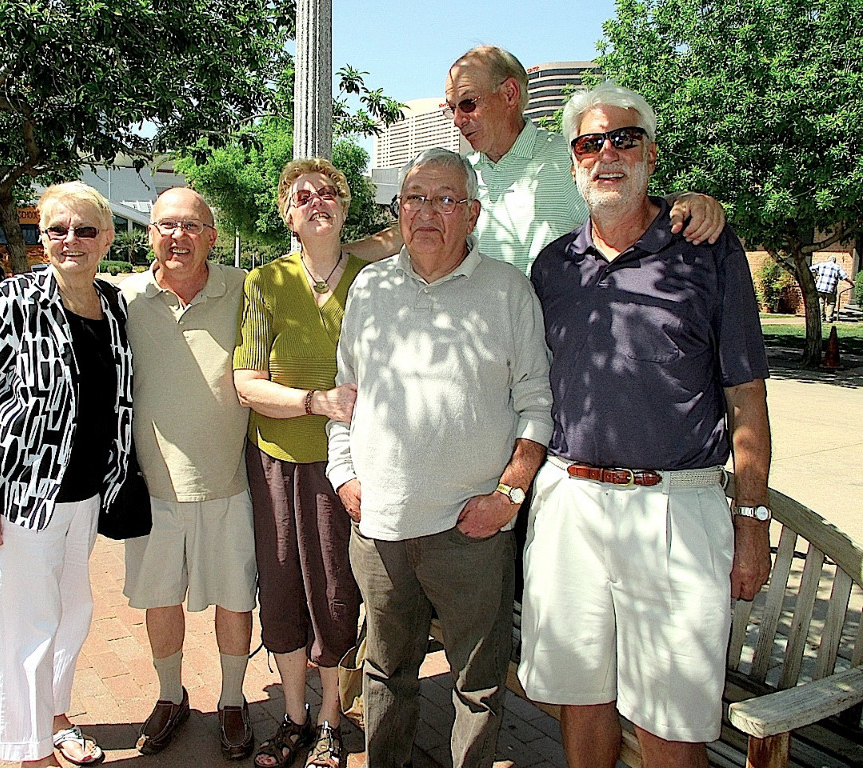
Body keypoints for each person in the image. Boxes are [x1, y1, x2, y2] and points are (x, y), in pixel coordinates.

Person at [518, 82, 773, 768]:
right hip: (570, 500)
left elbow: (746, 394)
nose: (607, 154)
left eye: (623, 139)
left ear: (651, 156)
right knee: (580, 695)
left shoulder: (707, 247)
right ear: (573, 164)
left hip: (676, 511)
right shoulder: (552, 267)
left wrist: (752, 523)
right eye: (590, 143)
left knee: (672, 717)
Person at [326, 148, 553, 768]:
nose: (428, 212)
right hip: (380, 525)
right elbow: (347, 393)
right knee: (384, 671)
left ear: (473, 214)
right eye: (415, 198)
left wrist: (507, 495)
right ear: (398, 210)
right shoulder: (369, 287)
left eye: (447, 199)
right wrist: (344, 476)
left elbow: (537, 403)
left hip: (471, 531)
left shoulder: (508, 290)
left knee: (478, 685)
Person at [0, 181, 133, 768]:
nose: (71, 240)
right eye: (58, 230)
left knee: (71, 612)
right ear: (42, 238)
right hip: (20, 492)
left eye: (85, 229)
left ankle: (54, 717)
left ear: (106, 238)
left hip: (83, 494)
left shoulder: (113, 304)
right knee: (25, 624)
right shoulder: (15, 299)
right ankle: (25, 750)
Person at [349, 45, 726, 272]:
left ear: (510, 93)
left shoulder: (573, 158)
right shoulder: (459, 177)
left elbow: (633, 208)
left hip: (553, 368)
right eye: (452, 109)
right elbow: (406, 234)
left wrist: (690, 202)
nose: (459, 120)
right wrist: (334, 253)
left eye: (468, 103)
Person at [233, 158, 366, 768]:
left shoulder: (374, 281)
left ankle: (334, 722)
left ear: (344, 207)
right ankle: (293, 716)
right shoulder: (265, 284)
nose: (317, 202)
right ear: (287, 213)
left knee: (336, 592)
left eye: (328, 193)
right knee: (282, 587)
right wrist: (314, 401)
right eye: (303, 196)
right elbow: (247, 384)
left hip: (350, 470)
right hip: (277, 466)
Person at [119, 187, 257, 760]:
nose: (178, 237)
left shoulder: (244, 291)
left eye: (191, 226)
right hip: (150, 487)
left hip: (227, 481)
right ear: (150, 233)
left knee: (234, 598)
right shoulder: (122, 297)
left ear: (212, 235)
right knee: (160, 599)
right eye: (166, 226)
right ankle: (170, 696)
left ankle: (231, 700)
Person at [810, 255, 852, 321]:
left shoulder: (821, 264)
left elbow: (811, 269)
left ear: (828, 259)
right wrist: (851, 283)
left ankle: (821, 318)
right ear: (834, 261)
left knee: (821, 302)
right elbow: (844, 277)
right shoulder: (837, 267)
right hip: (831, 288)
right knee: (831, 303)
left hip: (820, 287)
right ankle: (828, 318)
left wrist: (816, 275)